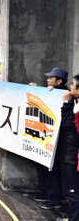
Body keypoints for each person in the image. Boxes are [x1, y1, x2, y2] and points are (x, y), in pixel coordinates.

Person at [28, 67, 69, 209]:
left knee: (53, 170)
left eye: (51, 78)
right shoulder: (52, 92)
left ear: (59, 81)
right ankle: (46, 194)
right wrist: (36, 88)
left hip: (58, 142)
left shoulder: (65, 96)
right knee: (45, 168)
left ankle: (54, 200)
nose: (47, 79)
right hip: (46, 138)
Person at [57, 74, 79, 220]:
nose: (71, 86)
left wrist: (66, 104)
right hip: (70, 153)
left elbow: (70, 125)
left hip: (73, 156)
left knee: (73, 191)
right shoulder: (76, 102)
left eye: (73, 84)